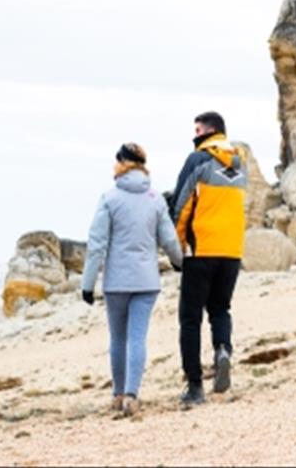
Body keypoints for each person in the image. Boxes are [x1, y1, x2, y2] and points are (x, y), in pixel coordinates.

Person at [82, 143, 183, 417]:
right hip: (147, 281)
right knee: (137, 338)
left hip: (116, 282)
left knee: (118, 338)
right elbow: (169, 239)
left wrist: (87, 284)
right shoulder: (155, 199)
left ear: (122, 163)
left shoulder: (109, 198)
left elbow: (97, 244)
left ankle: (117, 395)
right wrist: (179, 263)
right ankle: (132, 395)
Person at [170, 111, 247, 405]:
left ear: (210, 131)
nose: (195, 135)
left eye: (198, 129)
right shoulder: (240, 163)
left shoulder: (198, 160)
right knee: (220, 309)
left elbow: (181, 206)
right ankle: (223, 349)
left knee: (190, 319)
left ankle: (194, 387)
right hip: (231, 251)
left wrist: (177, 251)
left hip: (201, 249)